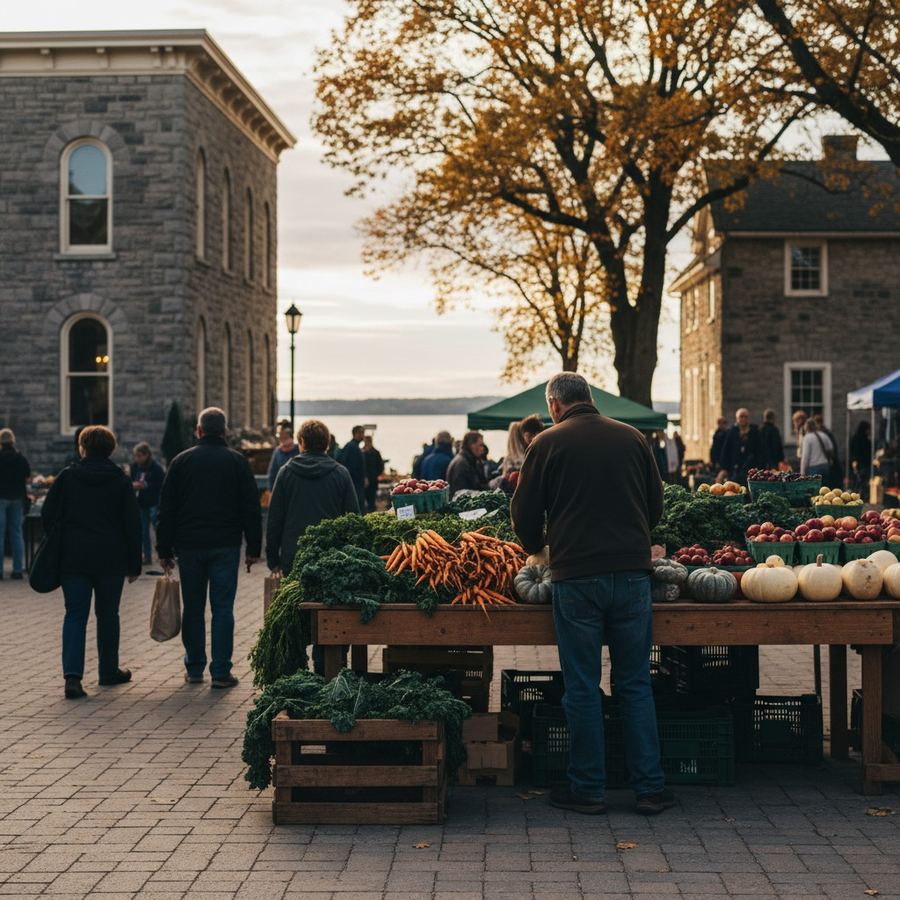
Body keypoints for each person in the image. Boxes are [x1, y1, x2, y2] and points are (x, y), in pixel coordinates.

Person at [510, 373, 670, 816]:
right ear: (590, 399)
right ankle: (650, 789)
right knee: (635, 683)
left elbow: (524, 516)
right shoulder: (633, 438)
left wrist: (535, 545)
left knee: (581, 686)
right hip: (632, 575)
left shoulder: (546, 444)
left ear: (555, 405)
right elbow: (655, 507)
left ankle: (588, 789)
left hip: (576, 576)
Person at [156, 407, 262, 689]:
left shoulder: (180, 462)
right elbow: (251, 507)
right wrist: (253, 546)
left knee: (193, 607)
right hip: (226, 544)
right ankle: (220, 671)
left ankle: (194, 667)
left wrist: (164, 549)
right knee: (223, 608)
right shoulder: (237, 462)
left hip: (189, 545)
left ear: (199, 431)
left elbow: (166, 509)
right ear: (224, 430)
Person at [40, 426, 141, 699]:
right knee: (108, 615)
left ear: (82, 447)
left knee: (75, 615)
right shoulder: (119, 479)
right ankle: (108, 671)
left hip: (74, 559)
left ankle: (72, 678)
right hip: (110, 559)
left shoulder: (68, 476)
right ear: (111, 449)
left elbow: (47, 514)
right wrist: (134, 564)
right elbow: (132, 524)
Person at [266, 420, 359, 674]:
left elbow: (275, 519)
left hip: (295, 557)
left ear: (302, 443)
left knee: (298, 614)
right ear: (327, 444)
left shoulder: (286, 472)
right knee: (331, 611)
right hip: (333, 558)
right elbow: (353, 518)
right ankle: (328, 667)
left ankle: (296, 671)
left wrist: (272, 557)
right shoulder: (340, 473)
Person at [0, 428, 31, 580]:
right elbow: (28, 475)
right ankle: (17, 570)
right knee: (16, 534)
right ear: (13, 441)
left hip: (1, 498)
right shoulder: (20, 458)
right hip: (17, 498)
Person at [130, 442, 165, 566]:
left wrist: (146, 485)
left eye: (140, 456)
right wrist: (134, 485)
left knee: (158, 529)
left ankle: (165, 555)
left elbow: (161, 484)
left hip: (153, 502)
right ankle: (147, 556)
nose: (137, 459)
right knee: (144, 532)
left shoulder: (156, 468)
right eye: (136, 456)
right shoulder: (134, 466)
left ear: (146, 455)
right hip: (141, 502)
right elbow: (131, 480)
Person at [718, 408, 763, 485]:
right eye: (741, 417)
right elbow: (726, 451)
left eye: (745, 417)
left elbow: (761, 450)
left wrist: (761, 467)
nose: (743, 419)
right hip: (735, 468)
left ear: (748, 418)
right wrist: (723, 468)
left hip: (751, 469)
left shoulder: (755, 432)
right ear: (737, 419)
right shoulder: (732, 432)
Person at [446, 431, 488, 497]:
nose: (482, 448)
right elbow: (461, 493)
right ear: (472, 445)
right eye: (480, 445)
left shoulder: (468, 461)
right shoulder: (462, 464)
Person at [339, 425, 366, 511]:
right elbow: (352, 467)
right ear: (356, 434)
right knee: (358, 507)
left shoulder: (352, 446)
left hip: (354, 482)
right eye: (361, 433)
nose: (363, 435)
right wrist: (362, 479)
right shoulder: (353, 447)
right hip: (355, 483)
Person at [267, 421, 300, 490]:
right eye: (279, 434)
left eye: (283, 434)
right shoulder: (277, 452)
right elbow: (272, 474)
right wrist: (271, 490)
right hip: (281, 489)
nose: (280, 437)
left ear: (289, 434)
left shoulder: (298, 450)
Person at [813, 413, 843, 486]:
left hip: (823, 463)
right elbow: (834, 449)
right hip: (830, 463)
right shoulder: (828, 433)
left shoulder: (817, 435)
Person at [362, 434, 384, 512]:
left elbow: (381, 466)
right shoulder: (361, 451)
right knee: (364, 500)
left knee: (371, 500)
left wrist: (375, 475)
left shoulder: (375, 452)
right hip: (364, 479)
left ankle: (371, 513)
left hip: (373, 480)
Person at [849, 421, 872, 494]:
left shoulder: (856, 439)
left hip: (861, 464)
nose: (870, 431)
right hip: (861, 464)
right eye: (869, 429)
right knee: (860, 481)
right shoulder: (863, 440)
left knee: (859, 482)